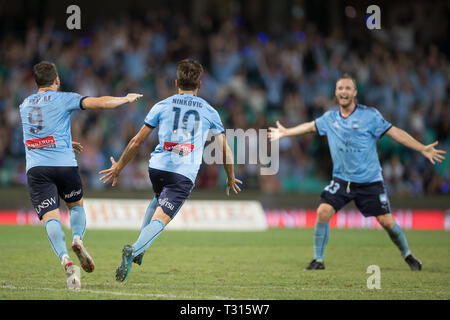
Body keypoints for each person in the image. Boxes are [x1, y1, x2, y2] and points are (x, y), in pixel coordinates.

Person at [268, 74, 446, 271]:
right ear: (336, 93)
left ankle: (408, 255)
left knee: (387, 222)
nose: (343, 92)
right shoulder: (330, 118)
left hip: (369, 181)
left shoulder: (370, 116)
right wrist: (286, 132)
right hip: (342, 180)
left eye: (347, 88)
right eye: (340, 88)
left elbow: (395, 132)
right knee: (323, 211)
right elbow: (310, 127)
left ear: (354, 92)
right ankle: (318, 260)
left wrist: (422, 148)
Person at [99, 59, 242, 282]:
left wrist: (118, 166)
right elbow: (224, 149)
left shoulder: (161, 105)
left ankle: (140, 248)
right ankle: (135, 249)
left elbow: (137, 141)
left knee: (157, 201)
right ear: (200, 85)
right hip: (182, 173)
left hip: (156, 168)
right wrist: (231, 176)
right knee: (162, 218)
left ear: (176, 82)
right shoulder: (210, 111)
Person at [19, 61, 143, 289]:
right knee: (75, 206)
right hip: (64, 164)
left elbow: (36, 133)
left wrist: (64, 141)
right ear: (56, 80)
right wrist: (125, 99)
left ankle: (65, 258)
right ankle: (77, 238)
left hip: (37, 169)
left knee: (50, 217)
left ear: (36, 82)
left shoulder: (24, 104)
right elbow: (100, 103)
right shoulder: (64, 97)